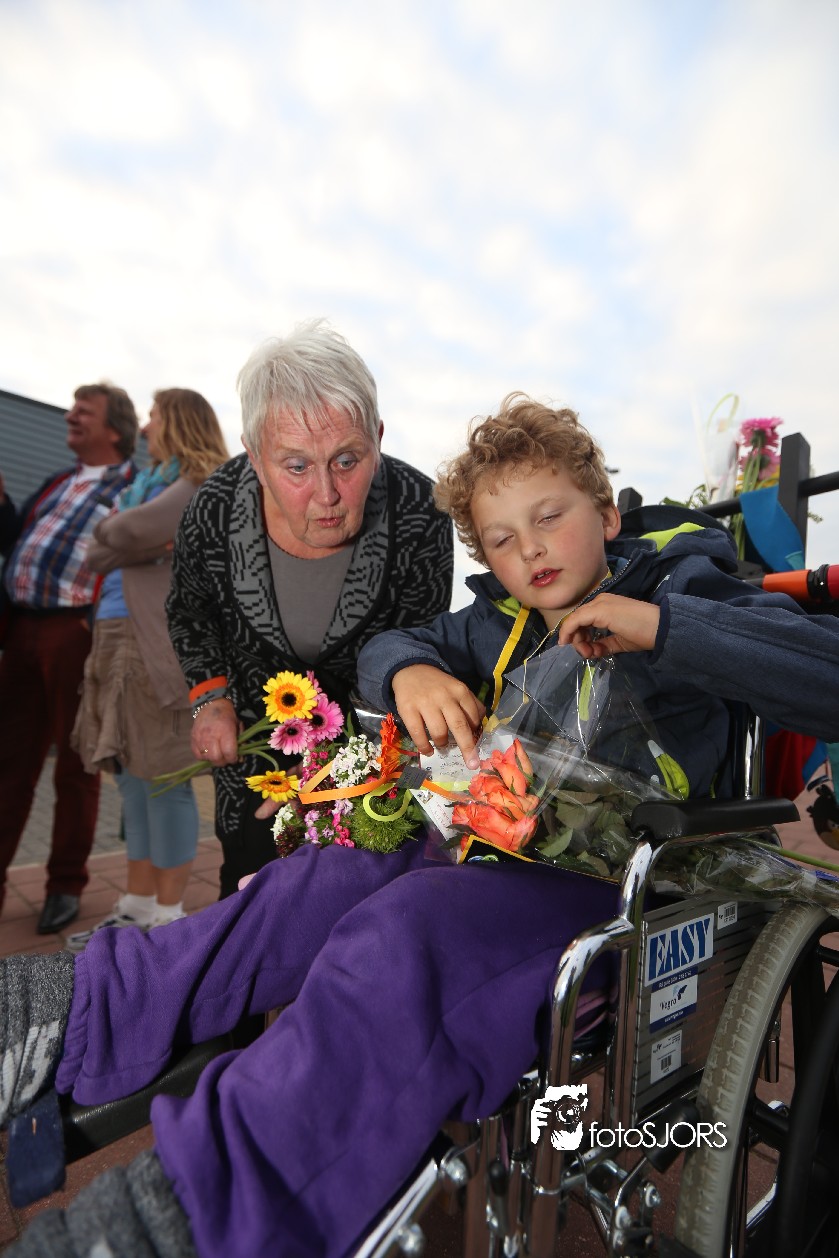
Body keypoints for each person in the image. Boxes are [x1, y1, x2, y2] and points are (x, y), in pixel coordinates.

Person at [3, 395, 839, 1258]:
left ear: (606, 515)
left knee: (405, 929)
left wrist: (662, 627)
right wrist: (409, 672)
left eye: (549, 517)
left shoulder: (682, 588)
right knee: (313, 879)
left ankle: (194, 1213)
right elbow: (391, 644)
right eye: (501, 539)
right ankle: (68, 1014)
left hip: (622, 890)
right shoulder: (496, 621)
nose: (530, 550)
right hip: (493, 851)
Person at [166, 318, 455, 896]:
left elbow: (412, 647)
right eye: (296, 466)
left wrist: (337, 769)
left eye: (347, 460)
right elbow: (190, 612)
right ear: (254, 457)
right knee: (247, 898)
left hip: (366, 769)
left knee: (358, 905)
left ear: (377, 437)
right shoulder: (215, 507)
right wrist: (210, 700)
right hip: (256, 759)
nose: (327, 495)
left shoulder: (419, 513)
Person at [65, 390, 230, 949]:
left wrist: (136, 539)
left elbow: (124, 533)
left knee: (163, 777)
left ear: (178, 420)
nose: (144, 427)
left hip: (154, 642)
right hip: (115, 632)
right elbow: (97, 552)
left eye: (154, 416)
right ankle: (135, 905)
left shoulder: (197, 479)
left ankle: (168, 916)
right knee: (132, 779)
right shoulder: (149, 481)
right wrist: (146, 544)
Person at [0, 384, 138, 934]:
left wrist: (94, 623)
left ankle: (64, 884)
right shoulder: (60, 479)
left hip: (75, 633)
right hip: (21, 630)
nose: (70, 416)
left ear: (114, 428)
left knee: (77, 767)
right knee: (9, 762)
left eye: (84, 411)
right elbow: (15, 539)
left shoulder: (132, 486)